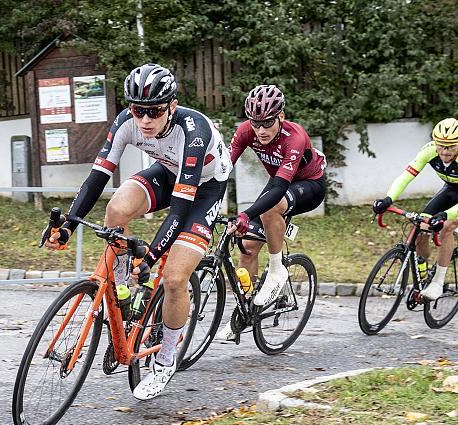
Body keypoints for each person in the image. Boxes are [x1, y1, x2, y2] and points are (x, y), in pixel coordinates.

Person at [45, 63, 231, 399]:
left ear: (171, 107)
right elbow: (97, 177)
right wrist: (69, 225)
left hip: (203, 189)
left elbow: (180, 208)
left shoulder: (194, 131)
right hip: (166, 172)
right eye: (138, 110)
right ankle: (124, 292)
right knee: (115, 209)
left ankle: (166, 358)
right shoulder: (126, 123)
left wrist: (152, 256)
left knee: (174, 278)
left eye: (155, 111)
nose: (145, 120)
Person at [218, 84, 326, 340]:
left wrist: (245, 214)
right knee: (248, 245)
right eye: (256, 123)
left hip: (309, 186)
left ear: (281, 116)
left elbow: (278, 190)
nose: (261, 130)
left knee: (269, 211)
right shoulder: (246, 131)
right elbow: (223, 169)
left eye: (268, 123)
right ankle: (246, 309)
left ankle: (278, 269)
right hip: (280, 182)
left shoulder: (295, 137)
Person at [372, 118, 458, 300]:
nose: (444, 151)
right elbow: (405, 177)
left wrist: (443, 216)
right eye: (441, 146)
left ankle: (438, 283)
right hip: (450, 188)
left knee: (447, 227)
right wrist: (388, 199)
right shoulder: (429, 150)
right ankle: (423, 274)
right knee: (421, 225)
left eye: (450, 147)